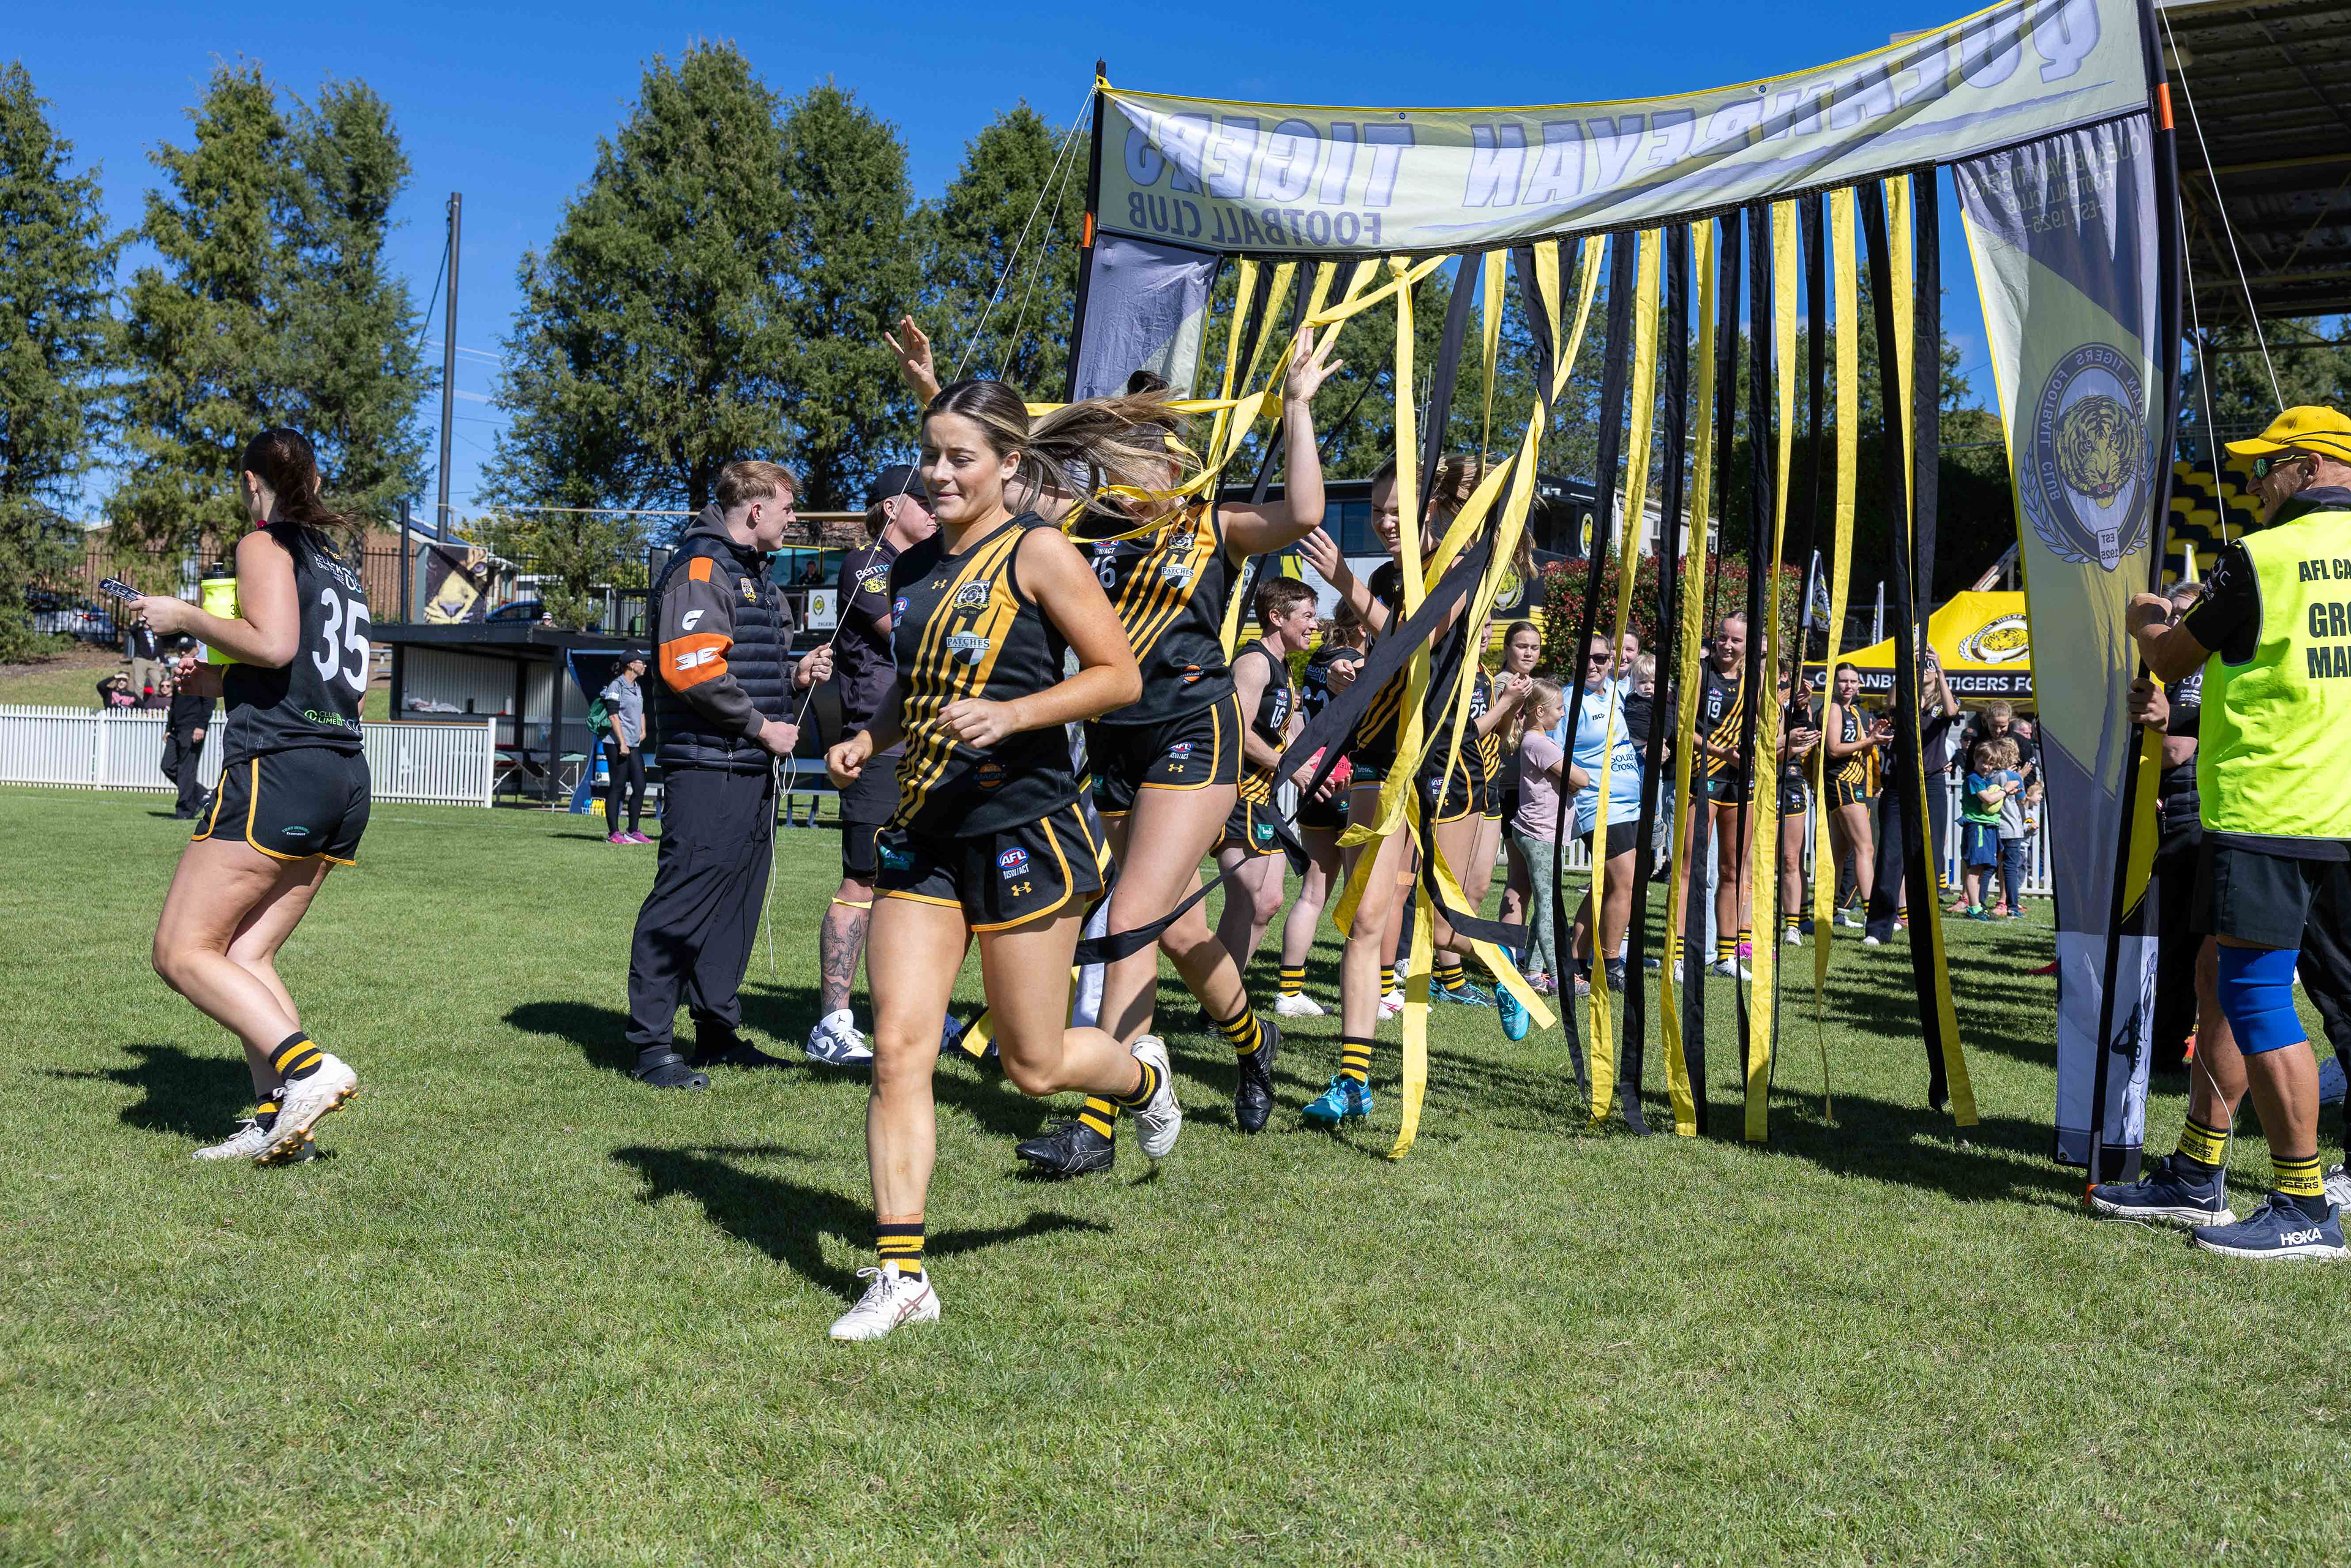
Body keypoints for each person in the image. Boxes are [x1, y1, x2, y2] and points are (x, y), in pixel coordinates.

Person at [887, 321, 1343, 1155]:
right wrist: (932, 389)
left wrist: (1298, 406)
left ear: (1174, 463)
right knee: (1175, 929)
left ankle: (1098, 1120)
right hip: (1112, 740)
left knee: (1129, 914)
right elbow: (995, 475)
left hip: (1192, 727)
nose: (1123, 476)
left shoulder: (1215, 524)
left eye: (1141, 460)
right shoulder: (1088, 524)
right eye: (1114, 462)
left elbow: (1306, 512)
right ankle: (1253, 1041)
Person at [823, 378, 1171, 1341]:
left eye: (959, 457)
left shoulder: (1041, 551)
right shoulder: (912, 567)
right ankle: (902, 1275)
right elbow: (923, 685)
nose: (937, 473)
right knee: (900, 1049)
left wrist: (1014, 715)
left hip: (1025, 829)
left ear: (1009, 465)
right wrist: (870, 737)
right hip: (925, 831)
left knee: (1034, 1063)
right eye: (929, 455)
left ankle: (1141, 1082)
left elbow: (1118, 677)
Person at [2089, 405, 2351, 1259]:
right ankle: (2200, 1169)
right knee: (2221, 975)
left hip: (2273, 806)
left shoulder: (2262, 555)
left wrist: (2143, 621)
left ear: (2310, 466)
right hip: (2335, 808)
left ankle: (2303, 1203)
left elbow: (2171, 658)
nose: (2253, 481)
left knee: (2255, 994)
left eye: (2266, 465)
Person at [127, 429, 370, 1165]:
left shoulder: (265, 544)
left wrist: (184, 616)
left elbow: (273, 644)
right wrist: (219, 680)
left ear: (250, 482)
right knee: (247, 953)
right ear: (315, 481)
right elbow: (315, 674)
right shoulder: (340, 565)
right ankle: (278, 1123)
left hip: (279, 771)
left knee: (180, 950)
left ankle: (308, 1069)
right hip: (342, 773)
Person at [1295, 452, 1534, 1122]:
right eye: (1377, 511)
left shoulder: (1458, 568)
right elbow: (1390, 659)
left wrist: (1344, 580)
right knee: (1365, 919)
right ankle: (1352, 1081)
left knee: (1443, 920)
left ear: (1432, 508)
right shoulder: (1387, 578)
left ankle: (1498, 956)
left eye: (1398, 511)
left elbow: (1418, 641)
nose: (1385, 522)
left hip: (1439, 761)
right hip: (1377, 755)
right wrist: (1350, 677)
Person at [622, 460, 833, 1090]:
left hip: (747, 767)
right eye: (789, 508)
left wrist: (794, 676)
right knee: (684, 901)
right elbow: (690, 668)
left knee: (736, 907)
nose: (795, 519)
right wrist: (763, 727)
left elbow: (736, 662)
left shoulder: (754, 573)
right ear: (757, 509)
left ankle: (716, 1032)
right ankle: (651, 1046)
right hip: (708, 766)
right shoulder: (701, 567)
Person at [808, 464, 939, 1067]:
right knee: (862, 882)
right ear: (891, 507)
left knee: (914, 885)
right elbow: (906, 634)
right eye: (923, 499)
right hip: (875, 744)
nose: (935, 509)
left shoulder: (923, 567)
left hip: (924, 742)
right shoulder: (868, 562)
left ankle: (908, 1012)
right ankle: (832, 1024)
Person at [1213, 576, 1314, 979]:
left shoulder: (1283, 666)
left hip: (1263, 798)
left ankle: (1225, 993)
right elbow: (1237, 732)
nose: (1314, 625)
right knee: (1246, 901)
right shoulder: (1254, 663)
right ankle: (1219, 1001)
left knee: (1268, 901)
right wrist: (1289, 766)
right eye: (1307, 615)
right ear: (1277, 617)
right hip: (1239, 795)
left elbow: (1283, 732)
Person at [1272, 605, 1365, 1017]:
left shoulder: (1315, 660)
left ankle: (1289, 991)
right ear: (1361, 625)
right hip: (1348, 778)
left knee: (1312, 894)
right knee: (1361, 896)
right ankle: (1371, 992)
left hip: (1314, 778)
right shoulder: (1354, 662)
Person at [2137, 580, 2211, 1069]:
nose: (2175, 622)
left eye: (2185, 612)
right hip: (2179, 812)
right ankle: (2167, 1042)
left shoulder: (2193, 669)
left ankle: (2166, 1047)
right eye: (2169, 613)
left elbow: (2175, 750)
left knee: (2179, 942)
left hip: (2189, 813)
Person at [1564, 634, 1643, 997]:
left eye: (1601, 658)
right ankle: (1610, 965)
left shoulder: (1616, 692)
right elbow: (1554, 754)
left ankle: (1575, 961)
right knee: (1624, 884)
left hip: (1629, 804)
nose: (1594, 664)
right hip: (1599, 806)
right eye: (1587, 657)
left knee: (1606, 886)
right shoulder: (1569, 701)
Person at [1687, 612, 1759, 980]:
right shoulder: (1701, 673)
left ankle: (1726, 957)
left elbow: (1764, 733)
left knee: (1733, 870)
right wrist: (1722, 753)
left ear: (1748, 645)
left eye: (1736, 640)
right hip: (1703, 775)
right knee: (1691, 868)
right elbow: (1684, 728)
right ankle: (1682, 955)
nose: (1727, 646)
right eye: (1722, 637)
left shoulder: (1754, 682)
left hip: (1739, 781)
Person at [1510, 680, 1578, 995]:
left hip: (1545, 834)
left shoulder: (1539, 742)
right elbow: (1581, 778)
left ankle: (1534, 972)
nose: (1563, 714)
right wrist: (1576, 779)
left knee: (1546, 904)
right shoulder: (1539, 744)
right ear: (1540, 711)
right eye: (1559, 709)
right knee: (1550, 907)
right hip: (1540, 835)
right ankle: (1560, 974)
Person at [1823, 661, 1892, 945]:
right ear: (1834, 683)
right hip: (1842, 782)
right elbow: (1834, 749)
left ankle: (1828, 911)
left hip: (1855, 784)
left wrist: (1872, 738)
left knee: (1840, 852)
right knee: (1866, 848)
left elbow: (1860, 749)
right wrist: (1868, 741)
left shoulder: (1855, 712)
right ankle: (1871, 914)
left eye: (1853, 681)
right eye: (1843, 681)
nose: (1848, 686)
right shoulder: (1834, 709)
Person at [1776, 660, 1822, 945]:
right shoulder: (1752, 696)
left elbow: (1806, 738)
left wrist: (1803, 707)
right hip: (1760, 776)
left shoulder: (1793, 703)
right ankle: (1748, 926)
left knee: (1792, 858)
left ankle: (1793, 924)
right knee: (1759, 859)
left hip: (1790, 779)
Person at [599, 652, 650, 845]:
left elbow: (641, 710)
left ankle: (633, 831)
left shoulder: (637, 687)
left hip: (633, 744)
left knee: (640, 786)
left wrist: (643, 731)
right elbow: (613, 716)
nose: (644, 666)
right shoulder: (616, 685)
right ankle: (614, 833)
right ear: (630, 665)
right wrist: (622, 742)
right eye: (641, 662)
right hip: (616, 744)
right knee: (618, 786)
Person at [1957, 739, 2008, 920]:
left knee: (1980, 869)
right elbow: (1988, 799)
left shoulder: (1985, 779)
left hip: (1986, 827)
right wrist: (2005, 790)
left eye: (1991, 764)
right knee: (1974, 868)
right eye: (1984, 762)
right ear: (1975, 758)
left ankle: (1977, 905)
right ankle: (1974, 909)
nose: (1987, 767)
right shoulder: (1973, 779)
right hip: (1977, 826)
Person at [163, 649, 215, 820]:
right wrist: (168, 728)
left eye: (188, 649)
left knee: (186, 770)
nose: (183, 652)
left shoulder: (201, 674)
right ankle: (201, 793)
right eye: (181, 649)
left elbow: (209, 703)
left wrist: (201, 727)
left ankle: (185, 811)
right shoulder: (179, 675)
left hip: (192, 729)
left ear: (196, 650)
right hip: (176, 730)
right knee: (168, 766)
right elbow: (174, 704)